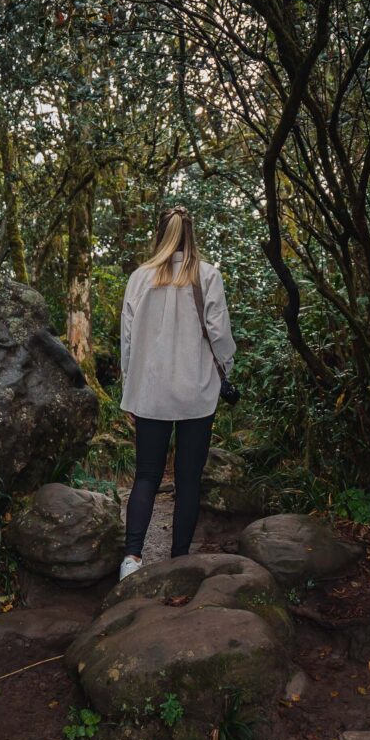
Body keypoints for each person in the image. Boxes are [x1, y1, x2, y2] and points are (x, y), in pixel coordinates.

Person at [118, 205, 237, 581]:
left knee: (146, 476)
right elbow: (219, 336)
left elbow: (127, 339)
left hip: (150, 391)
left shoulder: (140, 278)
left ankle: (132, 559)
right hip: (196, 392)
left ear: (160, 234)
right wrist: (225, 374)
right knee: (188, 480)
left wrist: (129, 388)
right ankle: (179, 560)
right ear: (191, 234)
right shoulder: (208, 276)